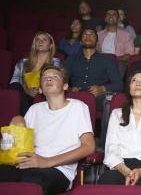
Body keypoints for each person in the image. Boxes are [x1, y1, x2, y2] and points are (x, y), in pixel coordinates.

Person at [0, 65, 95, 195]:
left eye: (55, 77)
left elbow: (89, 147)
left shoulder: (77, 107)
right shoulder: (35, 109)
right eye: (45, 78)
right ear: (40, 89)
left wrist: (47, 162)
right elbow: (18, 145)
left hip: (58, 170)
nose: (49, 80)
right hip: (29, 164)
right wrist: (17, 122)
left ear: (65, 86)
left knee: (33, 179)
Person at [97, 70, 141, 187]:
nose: (138, 83)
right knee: (106, 180)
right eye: (134, 80)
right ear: (129, 88)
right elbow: (111, 149)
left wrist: (140, 171)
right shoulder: (117, 114)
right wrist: (127, 172)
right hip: (120, 167)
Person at [63, 28, 123, 150]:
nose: (88, 36)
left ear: (97, 42)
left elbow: (120, 84)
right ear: (80, 42)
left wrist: (103, 88)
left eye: (91, 34)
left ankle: (104, 146)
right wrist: (68, 88)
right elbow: (60, 80)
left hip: (97, 97)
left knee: (110, 101)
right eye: (85, 34)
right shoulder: (71, 59)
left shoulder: (107, 60)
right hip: (76, 97)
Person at [8, 31, 61, 116]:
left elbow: (56, 83)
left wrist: (40, 89)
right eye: (37, 40)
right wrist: (26, 90)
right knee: (14, 87)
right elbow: (14, 83)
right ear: (34, 44)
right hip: (24, 97)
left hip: (44, 95)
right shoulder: (23, 63)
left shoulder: (55, 63)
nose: (40, 42)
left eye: (44, 40)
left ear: (51, 45)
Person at [97, 9, 134, 81]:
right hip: (99, 61)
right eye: (108, 14)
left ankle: (116, 86)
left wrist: (113, 58)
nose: (111, 15)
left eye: (113, 14)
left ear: (118, 20)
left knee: (121, 64)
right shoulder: (98, 35)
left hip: (116, 62)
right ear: (105, 19)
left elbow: (129, 55)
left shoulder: (126, 35)